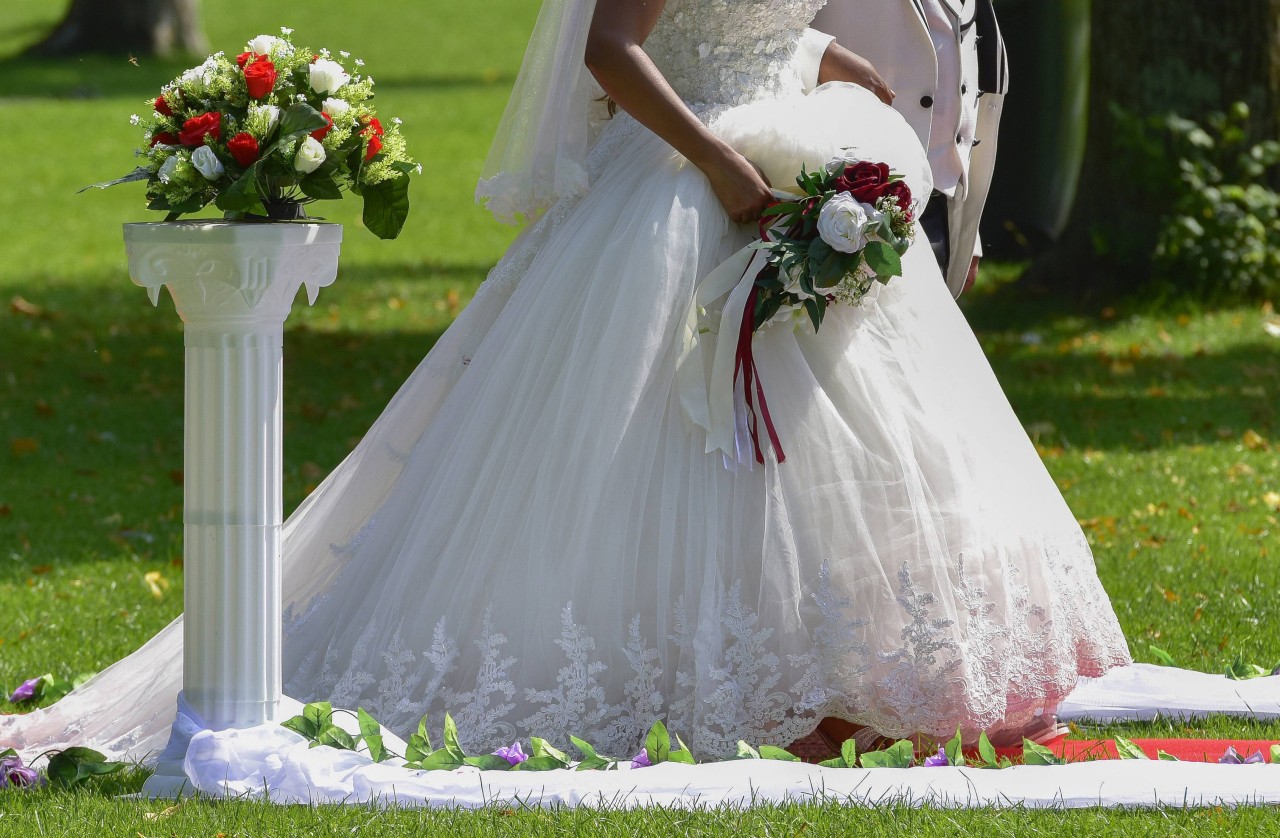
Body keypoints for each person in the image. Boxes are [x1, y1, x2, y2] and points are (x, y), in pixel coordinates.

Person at [2, 0, 1128, 764]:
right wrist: (722, 165)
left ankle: (838, 666)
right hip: (683, 187)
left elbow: (761, 24)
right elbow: (613, 47)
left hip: (800, 160)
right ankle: (702, 673)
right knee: (657, 439)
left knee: (836, 437)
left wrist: (831, 65)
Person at [802, 0, 1007, 297]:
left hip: (944, 208)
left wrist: (966, 231)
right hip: (844, 203)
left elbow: (956, 38)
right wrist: (823, 55)